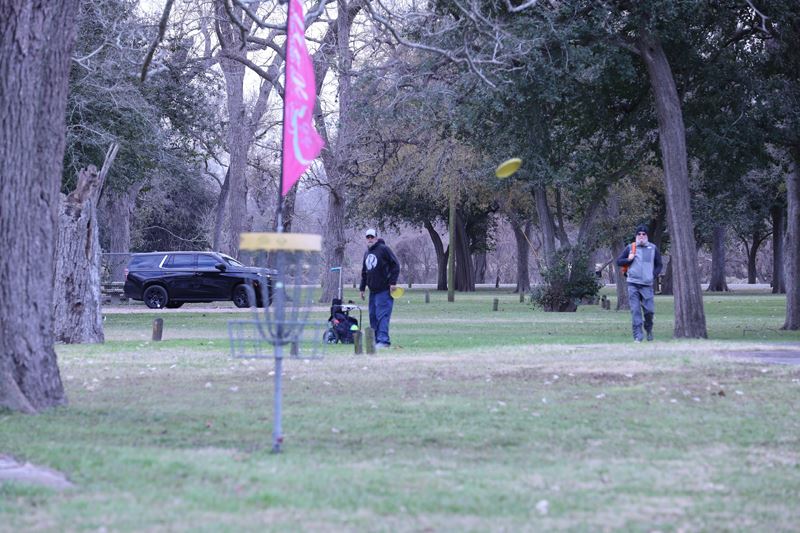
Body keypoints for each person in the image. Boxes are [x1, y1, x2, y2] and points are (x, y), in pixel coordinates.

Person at [616, 224, 663, 343]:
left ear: (647, 236)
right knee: (635, 310)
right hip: (633, 284)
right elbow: (619, 262)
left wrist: (652, 275)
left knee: (649, 311)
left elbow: (659, 265)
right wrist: (629, 259)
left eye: (644, 234)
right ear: (636, 236)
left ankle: (649, 329)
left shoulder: (653, 248)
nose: (641, 236)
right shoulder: (630, 248)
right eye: (639, 234)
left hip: (647, 285)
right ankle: (638, 335)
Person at [359, 228, 400, 348]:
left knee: (382, 316)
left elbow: (395, 265)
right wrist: (362, 289)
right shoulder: (367, 253)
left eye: (372, 237)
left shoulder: (384, 249)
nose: (370, 239)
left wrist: (393, 282)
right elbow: (364, 272)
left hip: (384, 290)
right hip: (373, 291)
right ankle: (376, 340)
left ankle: (383, 341)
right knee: (373, 316)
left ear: (376, 238)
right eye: (368, 237)